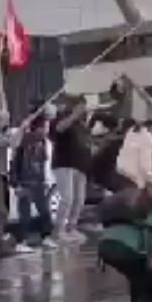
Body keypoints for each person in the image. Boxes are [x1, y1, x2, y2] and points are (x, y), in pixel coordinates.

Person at [0, 110, 38, 257]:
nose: (7, 123)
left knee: (2, 210)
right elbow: (11, 143)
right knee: (0, 211)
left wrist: (21, 129)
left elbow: (13, 141)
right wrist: (22, 127)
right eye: (4, 120)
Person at [10, 114, 57, 252]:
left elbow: (42, 163)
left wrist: (45, 179)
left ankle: (46, 237)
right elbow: (16, 161)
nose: (47, 131)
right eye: (45, 127)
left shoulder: (42, 142)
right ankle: (21, 241)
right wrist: (16, 183)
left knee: (44, 211)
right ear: (37, 128)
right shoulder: (25, 140)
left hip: (38, 182)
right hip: (25, 181)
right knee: (25, 213)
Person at [51, 96, 93, 242]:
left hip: (80, 165)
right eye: (81, 106)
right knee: (67, 197)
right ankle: (58, 230)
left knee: (79, 198)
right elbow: (58, 129)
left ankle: (71, 227)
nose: (84, 109)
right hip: (64, 163)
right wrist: (74, 115)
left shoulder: (82, 125)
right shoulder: (62, 119)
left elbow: (87, 143)